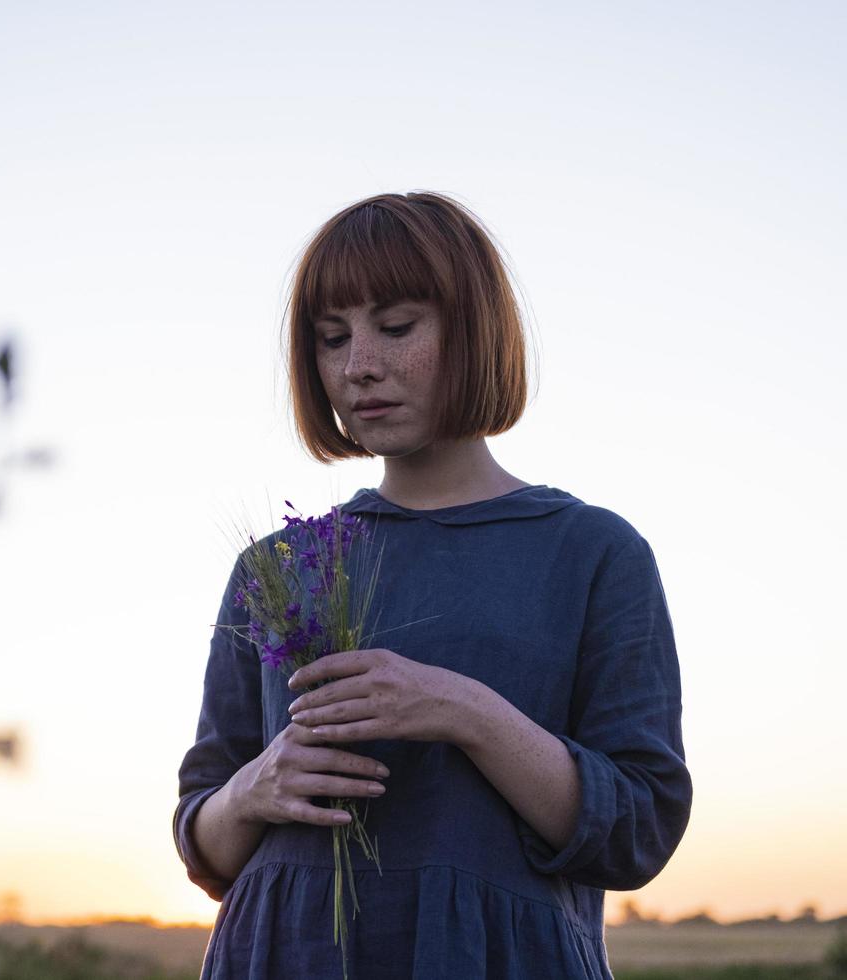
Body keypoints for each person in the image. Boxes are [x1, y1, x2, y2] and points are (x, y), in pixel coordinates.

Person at [173, 190, 692, 979]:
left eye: (396, 326)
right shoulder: (275, 568)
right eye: (331, 337)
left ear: (475, 331)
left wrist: (464, 710)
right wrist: (251, 789)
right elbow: (204, 842)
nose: (359, 367)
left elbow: (639, 830)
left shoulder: (592, 553)